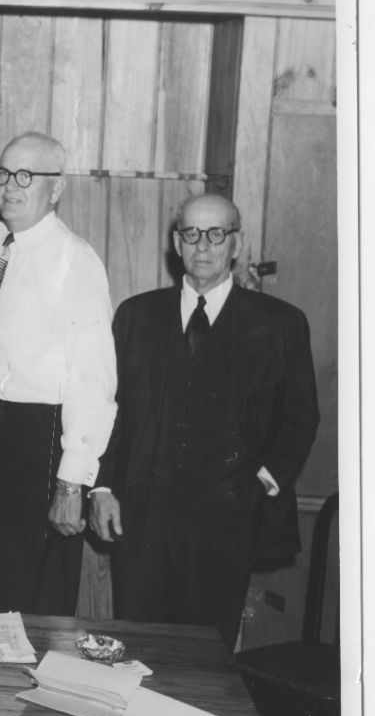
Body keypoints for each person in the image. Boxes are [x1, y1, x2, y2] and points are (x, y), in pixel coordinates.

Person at [89, 193, 319, 648]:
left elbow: (300, 417)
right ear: (177, 243)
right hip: (143, 520)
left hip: (228, 522)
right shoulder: (136, 316)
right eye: (192, 234)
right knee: (140, 649)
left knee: (208, 658)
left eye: (217, 234)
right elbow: (110, 411)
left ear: (236, 243)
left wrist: (260, 484)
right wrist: (102, 487)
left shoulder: (279, 323)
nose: (204, 246)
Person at [0, 132, 117, 616]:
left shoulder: (75, 260)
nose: (10, 187)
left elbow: (93, 378)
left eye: (26, 176)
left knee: (26, 595)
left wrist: (72, 481)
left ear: (56, 188)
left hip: (34, 436)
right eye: (3, 174)